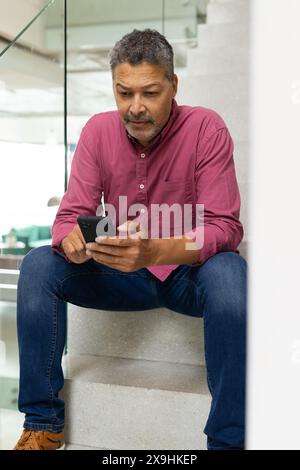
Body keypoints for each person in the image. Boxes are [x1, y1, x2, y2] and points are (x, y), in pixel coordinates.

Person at [14, 29, 247, 451]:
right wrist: (76, 240)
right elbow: (70, 218)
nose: (135, 108)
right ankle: (43, 423)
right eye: (124, 93)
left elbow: (224, 227)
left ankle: (228, 441)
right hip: (121, 275)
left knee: (232, 273)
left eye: (151, 92)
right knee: (38, 265)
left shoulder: (206, 128)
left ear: (174, 86)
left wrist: (156, 250)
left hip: (185, 275)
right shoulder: (97, 131)